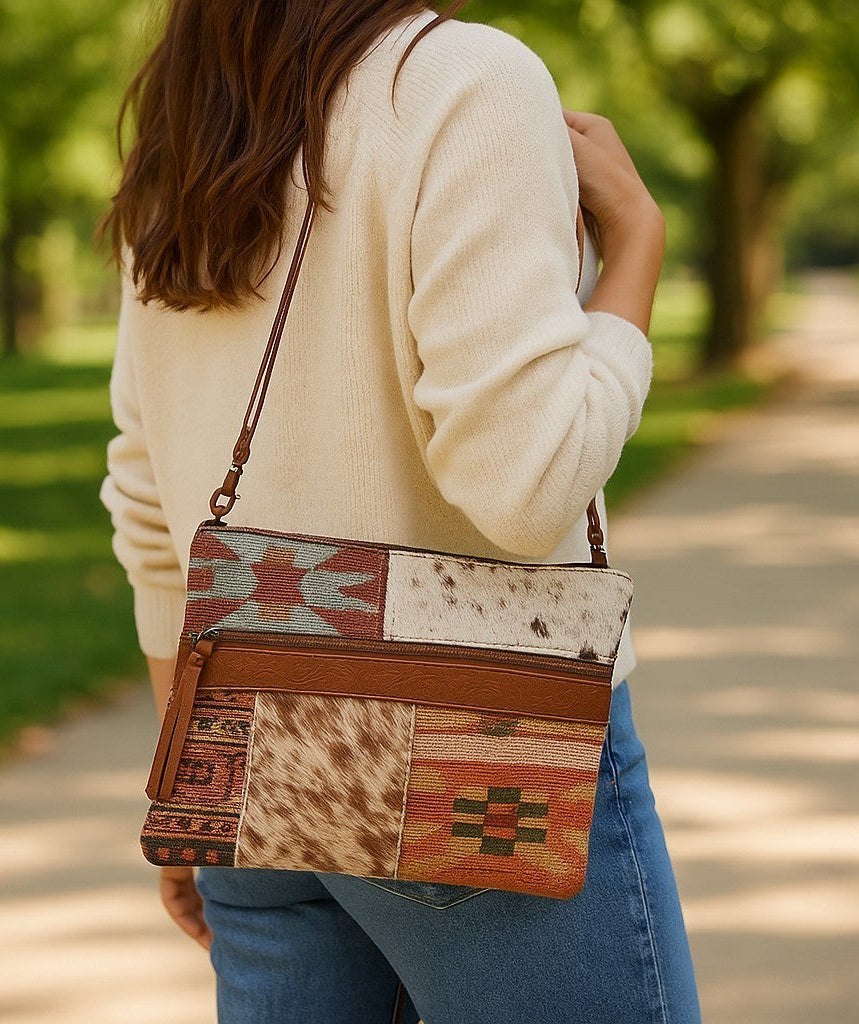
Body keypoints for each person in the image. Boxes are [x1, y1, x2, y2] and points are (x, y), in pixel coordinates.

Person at [99, 2, 701, 1021]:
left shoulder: (196, 118)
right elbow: (527, 485)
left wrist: (189, 782)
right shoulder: (467, 83)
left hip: (246, 752)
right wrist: (636, 247)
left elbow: (150, 498)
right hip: (475, 757)